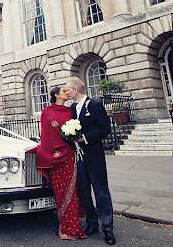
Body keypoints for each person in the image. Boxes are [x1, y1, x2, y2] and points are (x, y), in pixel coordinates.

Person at [66, 76, 116, 245]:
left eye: (68, 89)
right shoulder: (72, 108)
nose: (67, 92)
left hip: (94, 155)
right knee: (85, 191)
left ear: (76, 90)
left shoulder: (94, 105)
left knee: (101, 191)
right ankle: (92, 224)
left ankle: (107, 228)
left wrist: (84, 138)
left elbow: (104, 128)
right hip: (79, 158)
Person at [35, 86, 86, 241]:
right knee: (61, 193)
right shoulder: (46, 112)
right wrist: (49, 152)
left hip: (69, 155)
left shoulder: (70, 110)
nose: (67, 93)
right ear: (56, 95)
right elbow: (46, 135)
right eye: (64, 91)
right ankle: (64, 226)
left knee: (72, 192)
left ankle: (72, 228)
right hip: (55, 156)